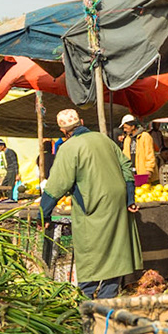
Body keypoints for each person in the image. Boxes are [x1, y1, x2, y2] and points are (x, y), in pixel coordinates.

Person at [40, 107, 141, 300]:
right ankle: (107, 300)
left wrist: (43, 213)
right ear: (82, 122)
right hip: (117, 201)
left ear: (63, 131)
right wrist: (130, 197)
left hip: (93, 203)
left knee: (89, 250)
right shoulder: (104, 139)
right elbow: (126, 165)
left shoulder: (68, 148)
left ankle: (85, 299)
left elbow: (57, 185)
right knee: (115, 248)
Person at [120, 115, 158, 185]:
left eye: (126, 127)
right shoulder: (127, 139)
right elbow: (125, 156)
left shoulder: (145, 136)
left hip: (143, 173)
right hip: (131, 173)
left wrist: (149, 170)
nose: (124, 130)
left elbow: (150, 154)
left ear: (133, 126)